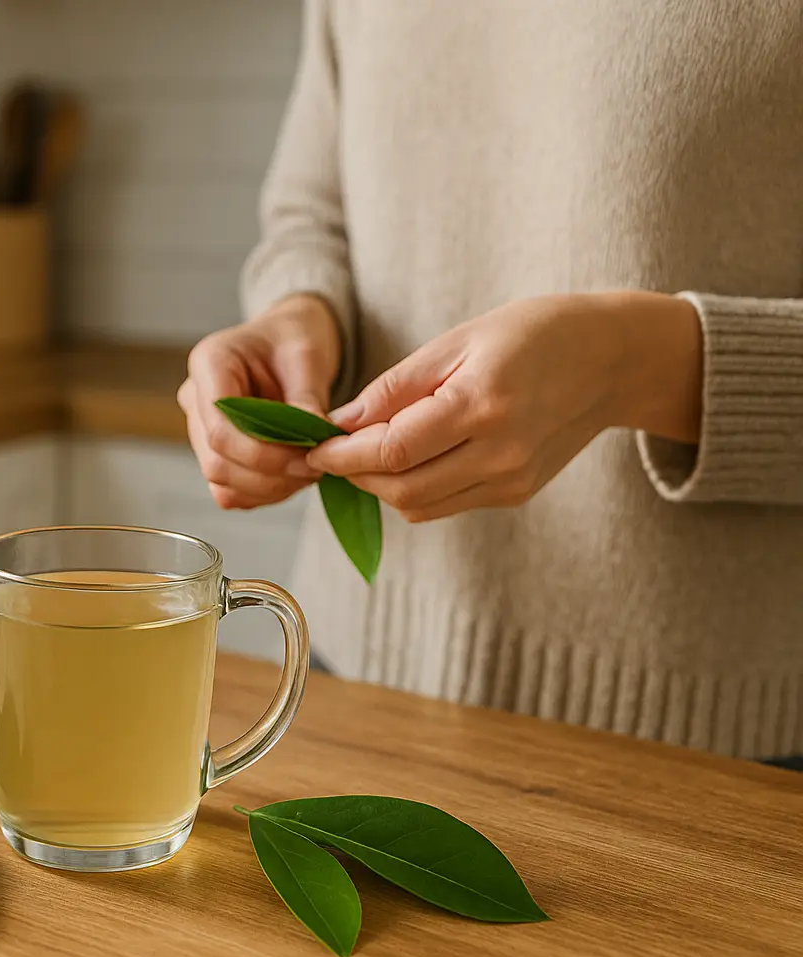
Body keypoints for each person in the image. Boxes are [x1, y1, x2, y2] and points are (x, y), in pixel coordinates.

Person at [178, 0, 803, 761]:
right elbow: (312, 214)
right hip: (346, 687)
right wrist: (299, 313)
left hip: (723, 756)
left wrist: (633, 365)